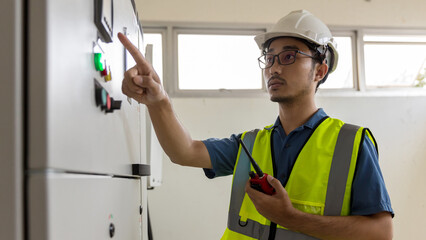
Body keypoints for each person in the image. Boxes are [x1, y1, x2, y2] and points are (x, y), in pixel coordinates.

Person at [118, 9, 393, 240]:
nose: (273, 68)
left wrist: (290, 218)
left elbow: (381, 232)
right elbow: (185, 151)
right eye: (269, 58)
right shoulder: (250, 144)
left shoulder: (351, 143)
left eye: (288, 57)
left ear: (319, 70)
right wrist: (158, 101)